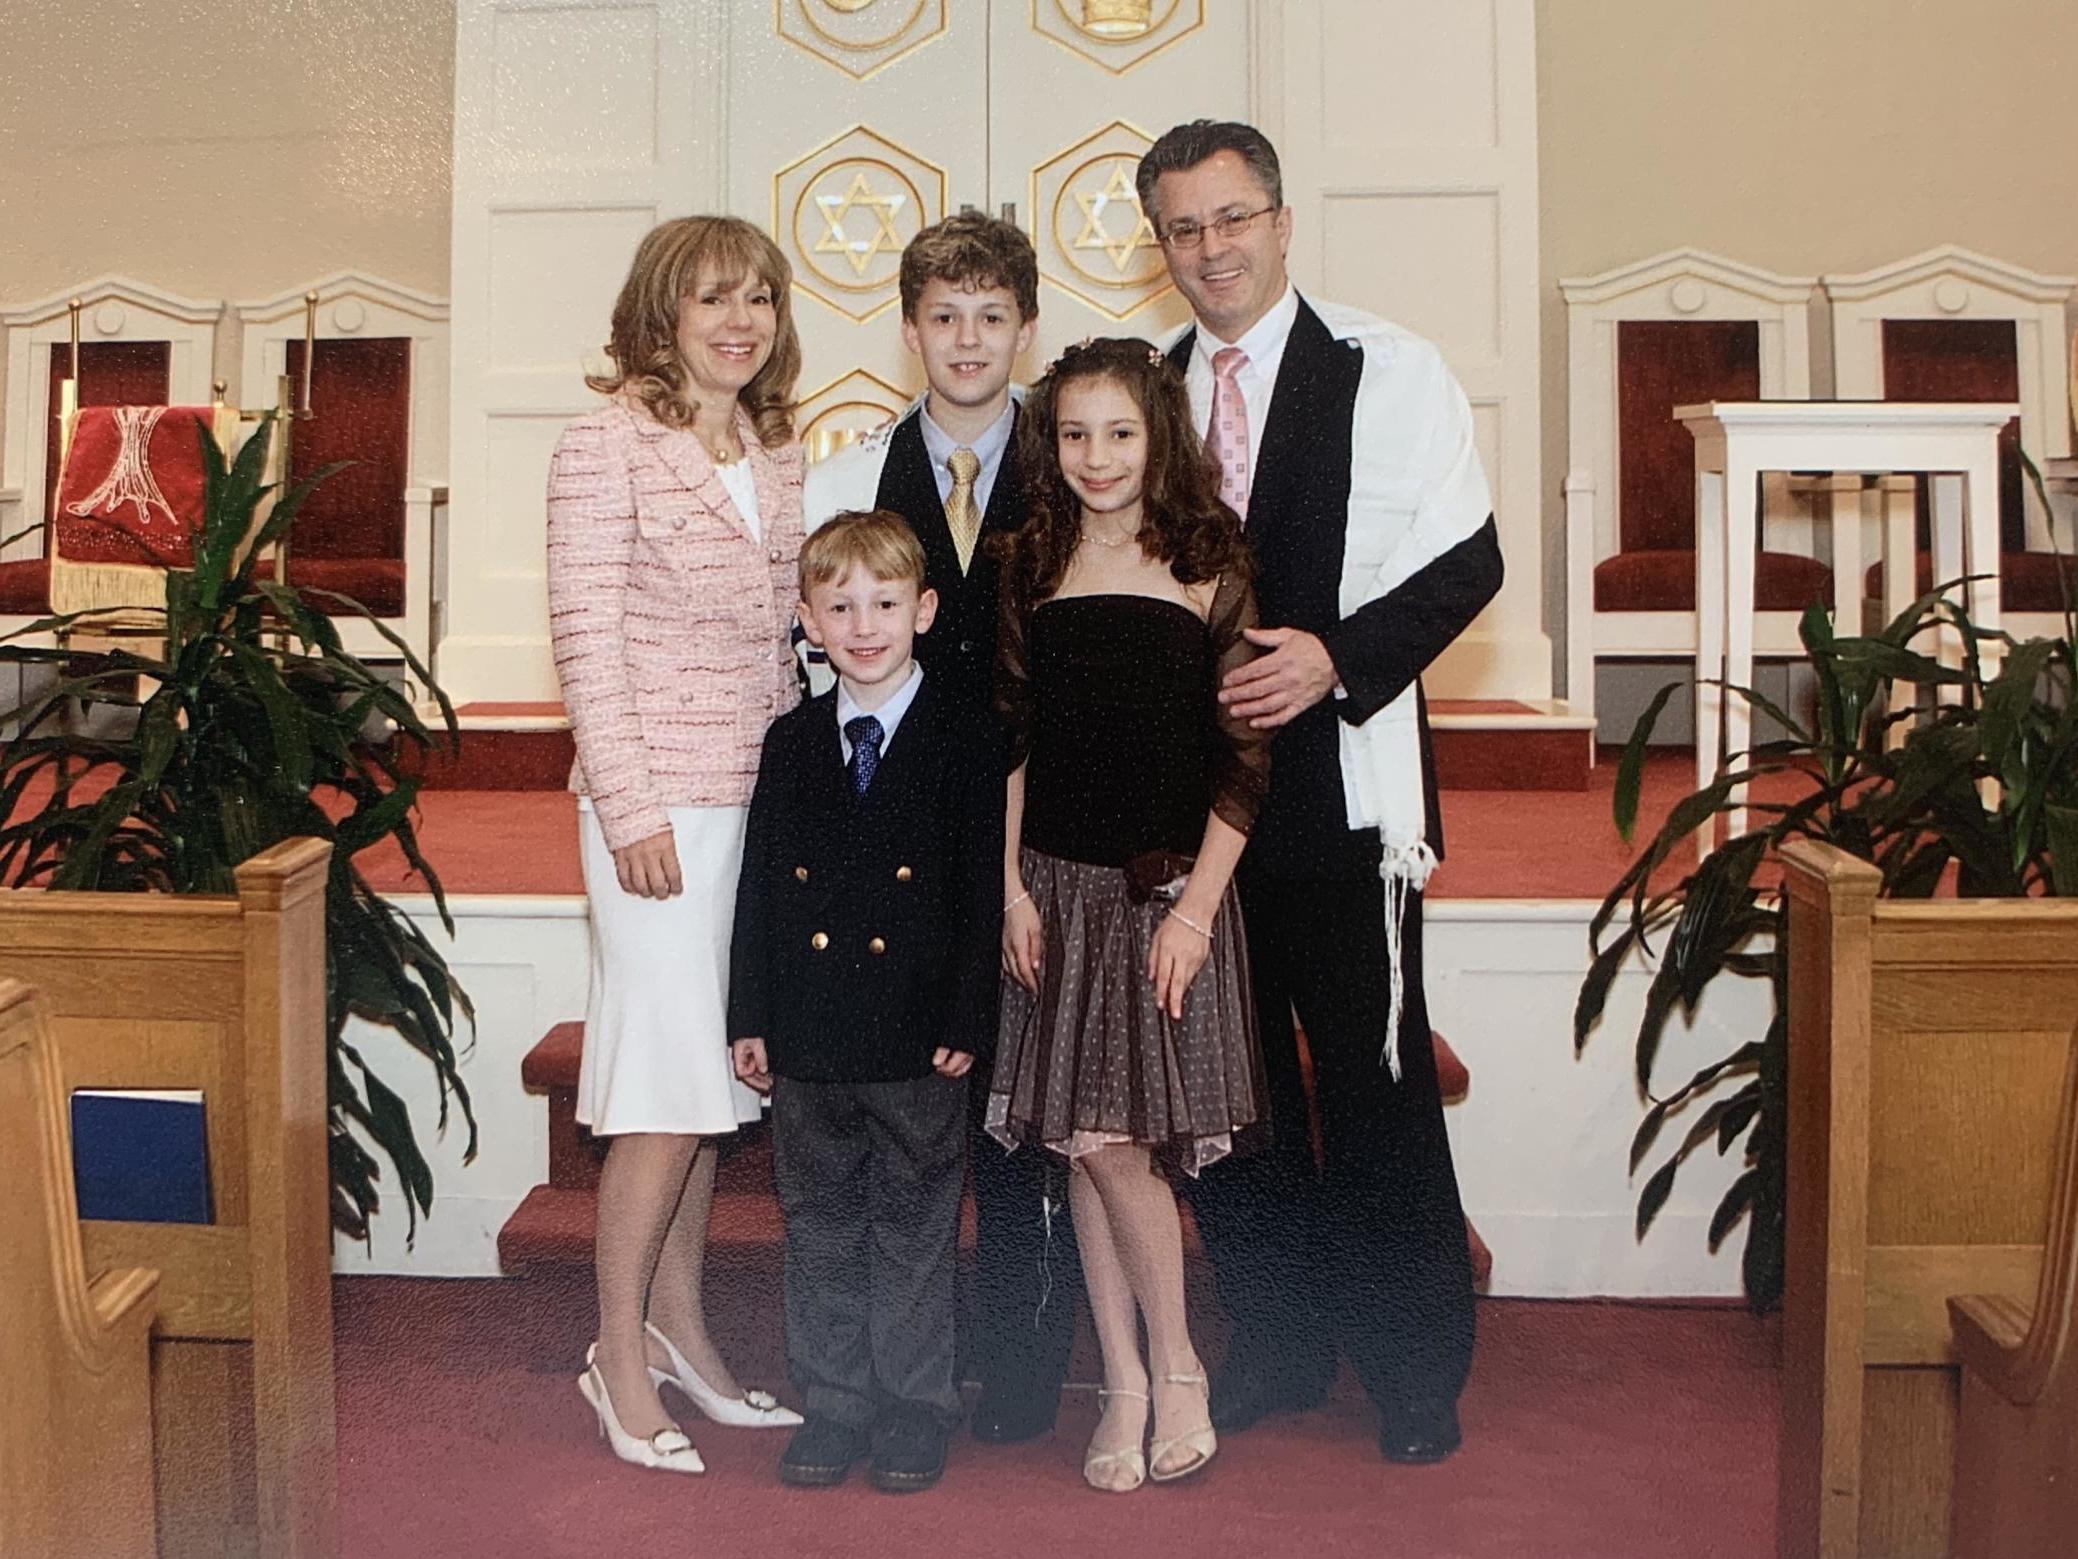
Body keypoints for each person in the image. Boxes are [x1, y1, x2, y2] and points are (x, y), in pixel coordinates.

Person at [1136, 119, 1504, 1464]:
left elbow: (1468, 559)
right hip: (1195, 819)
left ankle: (1413, 1368)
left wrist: (1336, 655)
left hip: (1345, 795)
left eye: (1232, 218)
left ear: (1281, 223)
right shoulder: (1149, 390)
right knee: (1228, 1102)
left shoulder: (1386, 367)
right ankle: (1280, 1343)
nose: (1211, 248)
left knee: (1373, 1082)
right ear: (1158, 245)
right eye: (1183, 227)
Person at [803, 211, 1083, 1446]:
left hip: (1050, 818)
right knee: (903, 1108)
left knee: (1027, 1095)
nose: (966, 340)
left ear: (1025, 327)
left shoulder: (1077, 461)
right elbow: (820, 659)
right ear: (908, 326)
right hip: (899, 839)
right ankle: (871, 1381)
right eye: (942, 315)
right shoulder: (851, 476)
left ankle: (1021, 1365)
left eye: (990, 316)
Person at [545, 214, 807, 1475]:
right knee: (660, 1089)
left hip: (758, 806)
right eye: (714, 297)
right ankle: (613, 1352)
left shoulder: (774, 446)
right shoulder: (606, 445)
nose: (739, 319)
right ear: (661, 309)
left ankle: (684, 1332)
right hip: (658, 815)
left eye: (758, 297)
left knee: (709, 1091)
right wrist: (632, 807)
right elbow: (586, 640)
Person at [987, 336, 1270, 1493]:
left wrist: (1197, 911)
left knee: (1115, 1145)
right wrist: (1006, 886)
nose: (1095, 456)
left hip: (1164, 899)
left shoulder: (1212, 560)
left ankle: (1172, 1368)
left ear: (1158, 432)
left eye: (1118, 431)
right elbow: (1007, 741)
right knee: (1088, 1143)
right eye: (1071, 433)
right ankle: (1131, 1377)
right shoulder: (1025, 558)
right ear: (1048, 443)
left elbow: (1246, 758)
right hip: (1052, 892)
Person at [728, 511, 1004, 1494]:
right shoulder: (793, 738)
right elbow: (760, 887)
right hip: (809, 1035)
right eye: (838, 605)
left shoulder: (965, 736)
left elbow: (980, 893)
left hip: (917, 1036)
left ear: (923, 609)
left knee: (914, 1226)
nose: (863, 623)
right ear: (805, 619)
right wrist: (748, 1012)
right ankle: (835, 1399)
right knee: (820, 1222)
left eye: (884, 602)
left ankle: (914, 1404)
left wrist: (970, 1017)